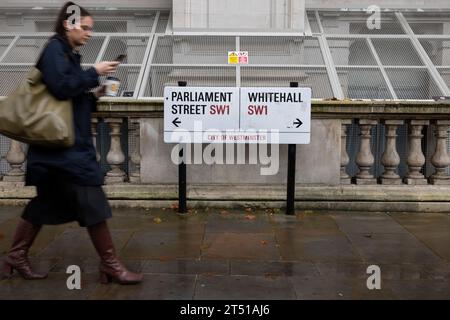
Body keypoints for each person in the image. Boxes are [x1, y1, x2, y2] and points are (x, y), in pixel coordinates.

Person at [1, 2, 142, 285]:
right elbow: (62, 86)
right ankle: (111, 266)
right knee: (92, 200)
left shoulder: (67, 54)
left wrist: (94, 94)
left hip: (58, 149)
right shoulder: (55, 49)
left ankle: (15, 256)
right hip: (63, 150)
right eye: (85, 27)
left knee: (44, 204)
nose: (90, 33)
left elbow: (67, 96)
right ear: (69, 24)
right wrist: (95, 72)